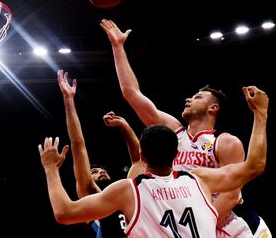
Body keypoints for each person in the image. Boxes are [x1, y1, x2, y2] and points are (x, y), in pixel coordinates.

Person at [100, 19, 271, 238]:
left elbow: (230, 195)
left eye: (198, 97)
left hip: (225, 224)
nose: (189, 99)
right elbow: (131, 93)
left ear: (213, 107)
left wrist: (199, 228)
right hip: (189, 219)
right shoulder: (174, 131)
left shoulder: (226, 141)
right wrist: (118, 47)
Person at [39, 86, 268, 238]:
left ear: (142, 157)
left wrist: (50, 169)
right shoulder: (200, 180)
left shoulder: (127, 191)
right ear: (175, 156)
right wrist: (260, 114)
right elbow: (255, 165)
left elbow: (63, 213)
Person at [57, 69, 140, 237]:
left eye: (102, 170)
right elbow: (78, 146)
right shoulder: (93, 195)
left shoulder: (128, 192)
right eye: (94, 172)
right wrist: (69, 100)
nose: (101, 171)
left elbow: (139, 160)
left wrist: (124, 125)